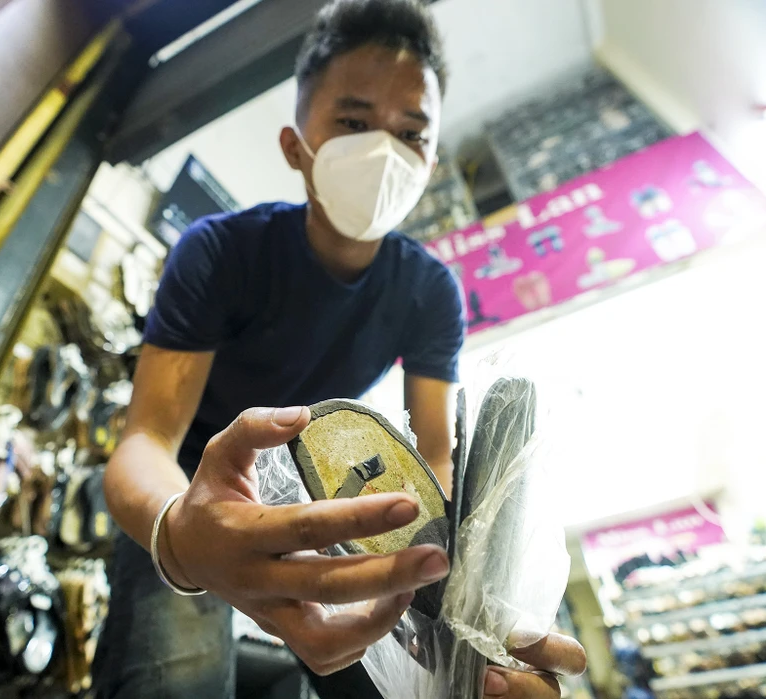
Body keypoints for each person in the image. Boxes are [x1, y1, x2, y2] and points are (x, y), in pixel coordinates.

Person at [93, 1, 586, 697]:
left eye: (410, 133)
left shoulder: (428, 292)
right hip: (190, 486)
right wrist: (179, 533)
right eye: (353, 123)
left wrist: (469, 599)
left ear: (429, 162)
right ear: (296, 146)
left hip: (323, 489)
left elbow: (434, 461)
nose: (383, 153)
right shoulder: (220, 253)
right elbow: (144, 441)